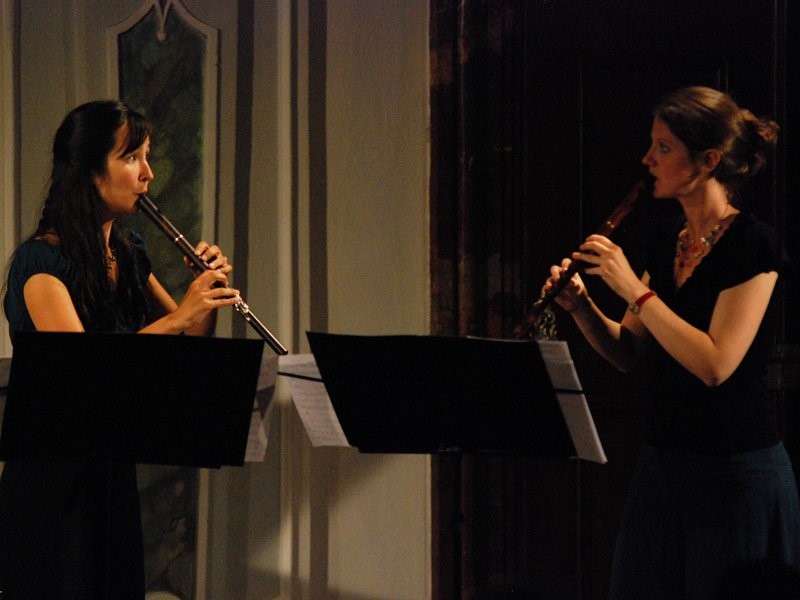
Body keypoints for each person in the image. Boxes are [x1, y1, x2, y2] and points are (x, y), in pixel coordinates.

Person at [542, 86, 800, 599]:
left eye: (663, 147)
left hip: (735, 476)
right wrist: (582, 308)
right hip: (665, 467)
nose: (647, 159)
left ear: (707, 161)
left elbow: (715, 364)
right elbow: (629, 352)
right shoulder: (665, 239)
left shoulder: (755, 245)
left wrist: (634, 290)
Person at [0, 100, 241, 598]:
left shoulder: (129, 254)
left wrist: (205, 295)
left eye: (146, 157)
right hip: (52, 488)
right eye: (131, 158)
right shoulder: (40, 263)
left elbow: (187, 346)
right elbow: (85, 371)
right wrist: (180, 315)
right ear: (91, 171)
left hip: (110, 475)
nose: (148, 174)